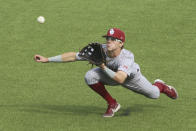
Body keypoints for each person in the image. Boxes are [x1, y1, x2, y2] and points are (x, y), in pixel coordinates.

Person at [34, 28, 178, 117]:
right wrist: (48, 59)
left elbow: (121, 78)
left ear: (121, 43)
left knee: (154, 94)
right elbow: (73, 56)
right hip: (110, 75)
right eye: (107, 38)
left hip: (130, 78)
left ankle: (160, 85)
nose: (108, 41)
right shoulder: (101, 50)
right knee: (89, 76)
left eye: (113, 39)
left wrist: (102, 66)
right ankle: (112, 103)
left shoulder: (127, 57)